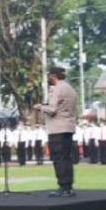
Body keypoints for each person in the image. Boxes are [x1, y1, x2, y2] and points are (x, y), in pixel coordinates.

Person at [33, 66, 77, 197]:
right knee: (67, 158)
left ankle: (63, 186)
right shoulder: (70, 88)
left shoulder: (57, 89)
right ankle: (68, 186)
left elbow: (52, 109)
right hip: (68, 126)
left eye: (49, 76)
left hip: (57, 128)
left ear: (53, 76)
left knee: (58, 158)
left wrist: (40, 106)